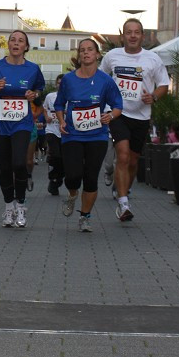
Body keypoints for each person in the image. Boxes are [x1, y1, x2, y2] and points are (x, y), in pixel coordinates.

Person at [99, 18, 169, 222]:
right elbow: (101, 77)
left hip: (141, 115)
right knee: (122, 156)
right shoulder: (112, 56)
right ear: (123, 35)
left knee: (133, 160)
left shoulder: (152, 59)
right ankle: (123, 204)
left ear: (142, 36)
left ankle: (122, 189)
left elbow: (164, 84)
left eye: (136, 32)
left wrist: (153, 96)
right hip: (118, 113)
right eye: (128, 32)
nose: (132, 36)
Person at [55, 39, 123, 233]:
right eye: (82, 50)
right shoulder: (68, 80)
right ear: (79, 55)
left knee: (91, 178)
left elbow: (118, 106)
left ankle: (85, 217)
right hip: (72, 135)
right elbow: (59, 104)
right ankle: (72, 195)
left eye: (90, 50)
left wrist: (110, 116)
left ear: (97, 54)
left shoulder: (106, 81)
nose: (86, 53)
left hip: (97, 136)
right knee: (73, 176)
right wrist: (61, 121)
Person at [0, 30, 44, 228]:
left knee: (19, 163)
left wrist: (34, 95)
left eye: (20, 41)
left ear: (26, 47)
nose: (16, 43)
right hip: (0, 124)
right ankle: (8, 206)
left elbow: (39, 91)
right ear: (8, 44)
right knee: (5, 167)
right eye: (13, 40)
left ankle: (21, 204)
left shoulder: (33, 69)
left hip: (22, 123)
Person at [42, 74, 65, 196]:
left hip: (66, 132)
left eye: (63, 83)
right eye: (58, 82)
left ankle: (58, 179)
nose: (60, 85)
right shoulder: (50, 96)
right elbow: (44, 108)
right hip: (52, 130)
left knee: (64, 159)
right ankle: (53, 178)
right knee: (56, 155)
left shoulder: (71, 96)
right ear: (56, 84)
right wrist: (47, 117)